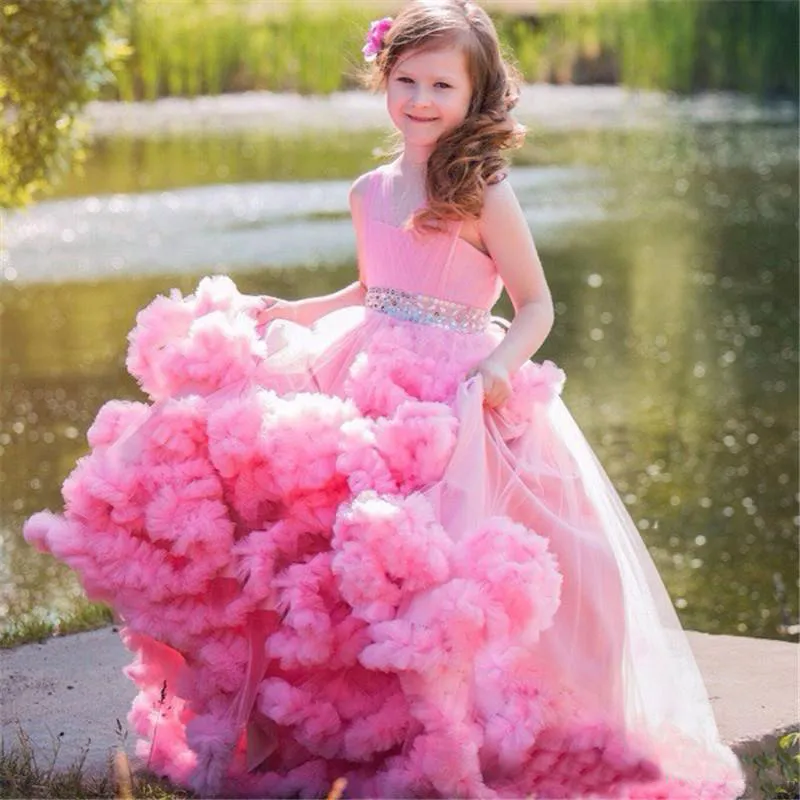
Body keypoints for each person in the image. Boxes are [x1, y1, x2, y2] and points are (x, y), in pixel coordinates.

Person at [26, 1, 745, 797]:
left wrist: (502, 364)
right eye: (407, 80)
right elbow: (374, 284)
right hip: (368, 373)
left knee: (455, 559)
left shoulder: (483, 193)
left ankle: (488, 723)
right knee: (337, 546)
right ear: (383, 80)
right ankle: (352, 725)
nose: (422, 99)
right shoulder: (369, 189)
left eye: (443, 84)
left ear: (476, 96)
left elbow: (537, 304)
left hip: (456, 389)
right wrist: (301, 312)